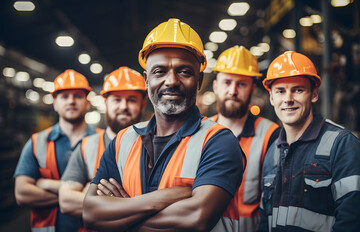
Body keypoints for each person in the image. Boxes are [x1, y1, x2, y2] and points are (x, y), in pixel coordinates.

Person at [82, 18, 244, 232]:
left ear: (199, 80)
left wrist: (122, 214)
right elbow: (91, 214)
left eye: (184, 71)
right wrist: (162, 198)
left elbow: (196, 217)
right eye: (159, 71)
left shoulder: (218, 141)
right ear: (146, 80)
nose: (171, 81)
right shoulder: (123, 140)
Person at [258, 51, 360, 231]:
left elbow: (352, 220)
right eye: (280, 91)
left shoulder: (342, 145)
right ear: (272, 98)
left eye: (298, 90)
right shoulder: (273, 152)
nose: (288, 99)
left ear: (314, 94)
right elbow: (265, 221)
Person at [58, 67, 147, 222]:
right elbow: (66, 202)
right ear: (106, 103)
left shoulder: (158, 144)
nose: (124, 106)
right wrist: (140, 204)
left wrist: (97, 199)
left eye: (131, 99)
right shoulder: (87, 146)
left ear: (143, 104)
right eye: (117, 99)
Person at [14, 69, 98, 232]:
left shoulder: (105, 141)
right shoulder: (37, 142)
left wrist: (46, 184)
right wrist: (74, 194)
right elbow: (22, 194)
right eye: (64, 96)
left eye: (78, 96)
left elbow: (109, 196)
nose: (71, 101)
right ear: (55, 103)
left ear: (87, 103)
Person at [211, 45, 279, 231]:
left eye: (241, 84)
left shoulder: (270, 134)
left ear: (252, 88)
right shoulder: (199, 132)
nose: (233, 91)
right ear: (215, 86)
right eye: (227, 82)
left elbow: (274, 201)